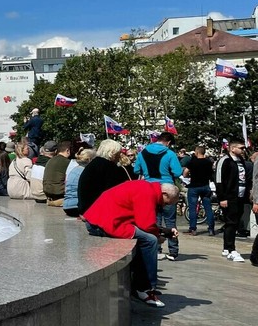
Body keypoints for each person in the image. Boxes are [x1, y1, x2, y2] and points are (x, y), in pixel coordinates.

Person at [83, 181, 180, 308]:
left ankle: (141, 284)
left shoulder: (147, 188)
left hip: (100, 219)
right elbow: (146, 225)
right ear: (164, 194)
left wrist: (165, 232)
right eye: (166, 202)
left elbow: (143, 221)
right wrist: (158, 236)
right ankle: (145, 288)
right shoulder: (148, 193)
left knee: (147, 238)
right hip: (103, 224)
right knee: (151, 241)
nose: (164, 205)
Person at [132, 131, 183, 260]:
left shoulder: (143, 153)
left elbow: (136, 170)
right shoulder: (170, 153)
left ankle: (156, 249)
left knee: (153, 220)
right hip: (167, 189)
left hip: (149, 189)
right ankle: (173, 251)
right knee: (170, 221)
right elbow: (177, 172)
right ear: (169, 142)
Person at [215, 139, 251, 262]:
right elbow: (219, 180)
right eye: (241, 148)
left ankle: (226, 247)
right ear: (232, 148)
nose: (243, 150)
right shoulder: (224, 160)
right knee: (231, 222)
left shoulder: (241, 160)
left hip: (240, 196)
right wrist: (222, 197)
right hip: (229, 197)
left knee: (235, 222)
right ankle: (231, 249)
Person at [78, 139, 130, 215]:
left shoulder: (94, 163)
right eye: (118, 153)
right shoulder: (109, 167)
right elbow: (115, 190)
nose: (119, 156)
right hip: (97, 211)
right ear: (113, 153)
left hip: (86, 208)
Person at [183, 145, 216, 236]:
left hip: (194, 186)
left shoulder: (192, 162)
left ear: (196, 152)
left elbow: (185, 173)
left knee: (193, 208)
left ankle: (193, 229)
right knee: (208, 208)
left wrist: (188, 176)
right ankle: (211, 229)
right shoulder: (209, 162)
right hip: (205, 186)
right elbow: (211, 173)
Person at [63, 147, 94, 217]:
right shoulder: (87, 172)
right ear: (89, 160)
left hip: (67, 205)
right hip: (77, 207)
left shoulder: (74, 170)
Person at [42, 141, 72, 207]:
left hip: (47, 192)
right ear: (68, 150)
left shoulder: (50, 160)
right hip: (59, 193)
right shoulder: (67, 162)